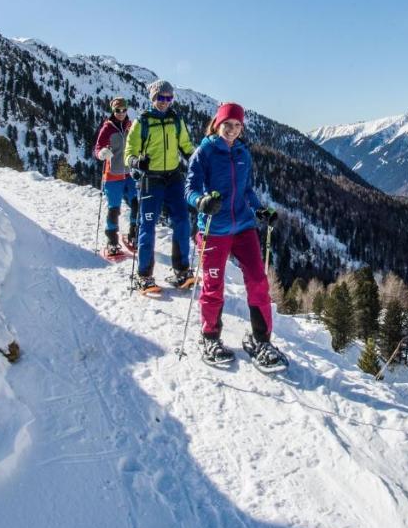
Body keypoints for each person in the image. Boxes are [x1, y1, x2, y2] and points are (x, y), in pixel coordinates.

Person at [185, 102, 287, 371]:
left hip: (243, 227)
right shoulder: (204, 152)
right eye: (227, 124)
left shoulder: (243, 152)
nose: (231, 130)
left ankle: (261, 340)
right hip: (213, 230)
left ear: (242, 128)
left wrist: (260, 210)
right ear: (217, 124)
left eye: (237, 125)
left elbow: (247, 190)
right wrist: (202, 201)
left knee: (258, 280)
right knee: (213, 286)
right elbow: (190, 189)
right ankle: (210, 338)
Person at [125, 80, 196, 292]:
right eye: (160, 97)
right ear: (152, 98)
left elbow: (186, 146)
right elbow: (130, 152)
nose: (164, 102)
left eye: (168, 98)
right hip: (151, 179)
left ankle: (182, 271)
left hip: (173, 177)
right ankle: (144, 275)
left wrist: (197, 160)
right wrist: (137, 162)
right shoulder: (142, 122)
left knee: (182, 221)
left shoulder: (176, 120)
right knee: (147, 226)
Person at [94, 96, 137, 257]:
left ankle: (133, 235)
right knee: (114, 209)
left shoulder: (130, 126)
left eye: (123, 110)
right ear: (113, 110)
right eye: (117, 110)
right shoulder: (107, 128)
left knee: (136, 203)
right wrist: (101, 153)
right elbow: (97, 148)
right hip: (112, 176)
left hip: (130, 174)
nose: (121, 113)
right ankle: (112, 241)